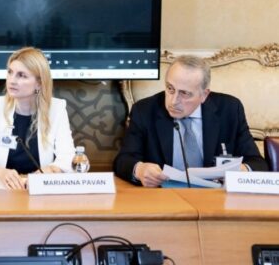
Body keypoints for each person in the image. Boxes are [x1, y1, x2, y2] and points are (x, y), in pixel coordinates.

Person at [114, 55, 268, 187]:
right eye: (170, 88)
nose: (173, 101)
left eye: (185, 94)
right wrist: (140, 170)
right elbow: (123, 160)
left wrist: (240, 171)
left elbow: (258, 164)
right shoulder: (145, 110)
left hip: (216, 199)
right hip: (163, 198)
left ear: (204, 95)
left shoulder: (229, 110)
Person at [0, 47, 76, 190]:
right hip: (3, 191)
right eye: (10, 72)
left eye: (22, 75)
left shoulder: (56, 109)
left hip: (40, 189)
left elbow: (68, 159)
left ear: (39, 83)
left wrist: (48, 171)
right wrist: (0, 172)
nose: (12, 80)